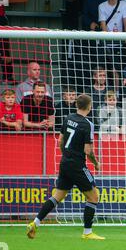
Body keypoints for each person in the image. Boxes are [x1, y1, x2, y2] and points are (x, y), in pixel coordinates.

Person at [27, 94, 105, 240]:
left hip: (65, 162)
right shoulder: (87, 124)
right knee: (94, 196)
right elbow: (88, 151)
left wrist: (66, 155)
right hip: (77, 165)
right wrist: (96, 163)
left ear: (76, 105)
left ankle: (35, 223)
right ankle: (87, 232)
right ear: (89, 107)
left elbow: (61, 140)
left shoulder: (68, 118)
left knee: (57, 196)